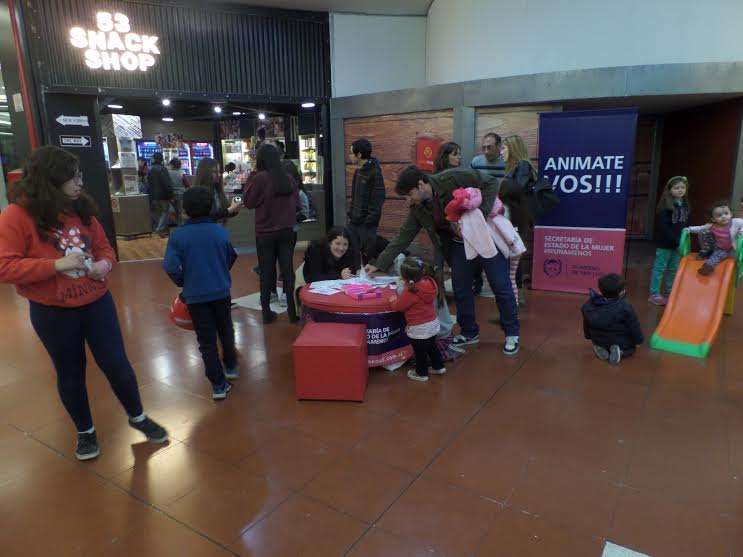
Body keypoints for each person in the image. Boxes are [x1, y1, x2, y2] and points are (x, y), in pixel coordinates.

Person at [0, 146, 168, 461]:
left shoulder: (82, 209)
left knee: (117, 364)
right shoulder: (16, 216)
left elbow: (105, 249)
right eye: (72, 178)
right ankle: (85, 431)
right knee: (70, 372)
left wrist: (104, 266)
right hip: (52, 311)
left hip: (96, 302)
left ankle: (138, 416)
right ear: (50, 180)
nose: (80, 183)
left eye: (80, 176)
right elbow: (4, 266)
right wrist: (55, 265)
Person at [365, 166, 521, 355]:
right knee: (460, 285)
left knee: (499, 283)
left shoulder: (452, 177)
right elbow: (403, 237)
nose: (408, 201)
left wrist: (481, 213)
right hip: (459, 243)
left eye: (409, 195)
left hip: (486, 235)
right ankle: (469, 332)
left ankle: (512, 333)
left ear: (421, 184)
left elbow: (490, 182)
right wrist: (379, 263)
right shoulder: (418, 209)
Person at [163, 186, 239, 400]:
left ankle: (218, 385)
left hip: (195, 296)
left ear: (185, 211)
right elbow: (231, 256)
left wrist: (183, 281)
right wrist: (220, 272)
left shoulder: (178, 236)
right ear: (211, 209)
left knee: (206, 340)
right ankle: (231, 366)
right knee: (226, 329)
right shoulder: (220, 232)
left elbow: (170, 266)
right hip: (221, 292)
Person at [244, 144, 300, 324]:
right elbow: (298, 205)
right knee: (288, 270)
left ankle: (267, 312)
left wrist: (252, 176)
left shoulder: (259, 178)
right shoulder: (288, 178)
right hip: (287, 231)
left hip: (265, 232)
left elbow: (249, 202)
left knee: (266, 271)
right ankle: (293, 311)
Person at [389, 256, 446, 382]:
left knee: (420, 352)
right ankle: (439, 367)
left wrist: (393, 301)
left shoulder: (411, 290)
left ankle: (421, 373)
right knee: (432, 347)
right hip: (432, 324)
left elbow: (399, 306)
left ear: (404, 277)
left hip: (418, 328)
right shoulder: (430, 283)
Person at [581, 273, 644, 365]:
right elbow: (634, 326)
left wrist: (588, 336)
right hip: (619, 341)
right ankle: (621, 352)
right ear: (621, 292)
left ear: (601, 290)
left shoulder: (589, 305)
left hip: (597, 338)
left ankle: (601, 347)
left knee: (601, 340)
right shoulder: (625, 308)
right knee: (631, 349)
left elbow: (586, 323)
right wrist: (639, 340)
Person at [648, 176, 691, 305]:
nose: (680, 190)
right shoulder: (665, 207)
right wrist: (675, 242)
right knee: (659, 268)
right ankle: (654, 294)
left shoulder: (684, 205)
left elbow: (686, 224)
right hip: (666, 244)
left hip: (678, 244)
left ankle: (669, 291)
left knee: (674, 268)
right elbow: (664, 229)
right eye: (676, 188)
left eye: (682, 187)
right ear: (669, 190)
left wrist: (683, 240)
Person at [501, 135, 537, 285]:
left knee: (515, 252)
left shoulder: (523, 165)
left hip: (517, 217)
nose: (501, 152)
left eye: (503, 148)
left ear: (513, 149)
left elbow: (517, 190)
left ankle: (515, 288)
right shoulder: (515, 166)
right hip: (513, 216)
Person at [348, 138, 385, 265]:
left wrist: (368, 221)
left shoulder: (375, 173)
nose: (350, 156)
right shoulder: (358, 170)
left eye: (352, 153)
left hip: (366, 224)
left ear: (359, 154)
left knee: (367, 256)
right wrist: (351, 215)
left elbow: (378, 200)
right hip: (354, 221)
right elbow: (354, 196)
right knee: (353, 253)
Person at [686, 200, 743, 275]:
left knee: (717, 255)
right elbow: (700, 228)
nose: (723, 216)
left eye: (726, 213)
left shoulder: (736, 222)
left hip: (725, 250)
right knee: (703, 231)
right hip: (714, 246)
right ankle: (706, 251)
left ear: (731, 214)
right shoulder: (712, 225)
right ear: (713, 219)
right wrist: (689, 229)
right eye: (719, 215)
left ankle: (708, 266)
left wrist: (741, 231)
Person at [191, 157, 242, 222]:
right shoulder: (196, 194)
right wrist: (229, 210)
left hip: (217, 229)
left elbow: (222, 213)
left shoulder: (217, 190)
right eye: (215, 172)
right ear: (205, 173)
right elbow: (204, 218)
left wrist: (234, 210)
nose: (219, 175)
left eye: (219, 171)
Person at [147, 152, 175, 237]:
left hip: (153, 195)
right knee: (165, 211)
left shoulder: (150, 169)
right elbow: (167, 184)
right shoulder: (163, 169)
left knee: (159, 212)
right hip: (163, 195)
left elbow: (149, 182)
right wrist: (171, 195)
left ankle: (161, 228)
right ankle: (160, 228)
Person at [168, 158, 190, 226]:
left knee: (175, 211)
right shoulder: (182, 173)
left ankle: (176, 223)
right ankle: (181, 225)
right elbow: (187, 184)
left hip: (172, 195)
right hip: (181, 194)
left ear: (172, 165)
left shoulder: (168, 173)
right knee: (181, 211)